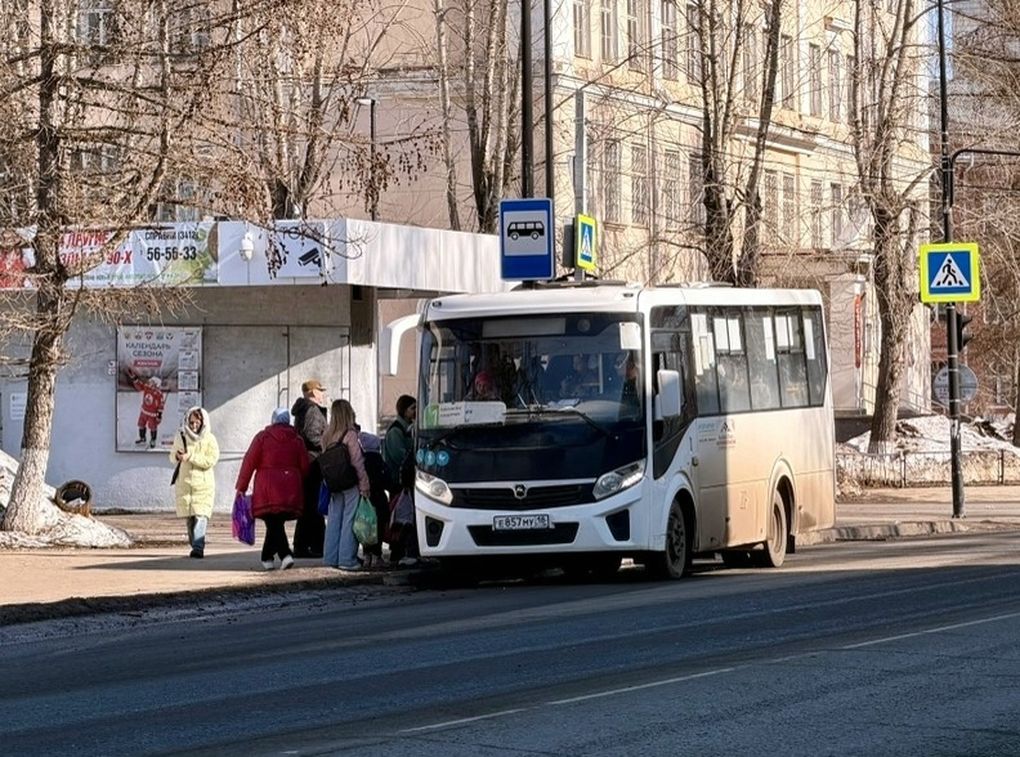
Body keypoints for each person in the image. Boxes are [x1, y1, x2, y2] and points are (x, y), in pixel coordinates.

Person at [235, 408, 309, 571]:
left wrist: (241, 487)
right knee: (276, 523)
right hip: (290, 489)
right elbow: (305, 467)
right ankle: (267, 557)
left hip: (266, 488)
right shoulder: (297, 440)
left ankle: (284, 555)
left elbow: (249, 462)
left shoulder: (262, 437)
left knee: (273, 522)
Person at [320, 399, 371, 571]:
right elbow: (357, 462)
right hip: (350, 483)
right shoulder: (350, 434)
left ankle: (330, 557)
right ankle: (347, 559)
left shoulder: (327, 435)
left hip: (333, 484)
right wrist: (364, 484)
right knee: (350, 519)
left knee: (334, 520)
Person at [169, 406, 219, 559]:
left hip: (203, 485)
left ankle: (198, 547)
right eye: (191, 423)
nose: (194, 425)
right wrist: (177, 456)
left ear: (203, 422)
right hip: (185, 483)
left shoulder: (210, 439)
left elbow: (211, 460)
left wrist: (190, 457)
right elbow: (171, 455)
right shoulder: (181, 436)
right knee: (190, 519)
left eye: (197, 422)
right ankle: (194, 544)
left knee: (201, 516)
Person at [292, 379, 328, 558]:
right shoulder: (312, 410)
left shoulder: (303, 410)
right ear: (313, 392)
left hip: (306, 462)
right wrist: (326, 446)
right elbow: (311, 435)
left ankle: (304, 545)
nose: (323, 394)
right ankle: (315, 546)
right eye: (320, 391)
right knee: (314, 506)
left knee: (308, 507)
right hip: (313, 462)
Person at [358, 424, 392, 569]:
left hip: (365, 499)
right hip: (379, 498)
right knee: (378, 528)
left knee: (366, 528)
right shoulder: (379, 461)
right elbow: (387, 481)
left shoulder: (362, 462)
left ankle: (366, 556)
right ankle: (376, 556)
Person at [383, 395, 416, 493]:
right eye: (413, 408)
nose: (416, 411)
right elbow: (400, 457)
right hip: (398, 482)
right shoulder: (396, 431)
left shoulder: (409, 428)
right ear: (405, 411)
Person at [129, 372, 165, 448]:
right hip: (144, 412)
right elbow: (139, 386)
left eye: (151, 382)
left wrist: (159, 415)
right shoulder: (146, 388)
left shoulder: (158, 394)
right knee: (141, 424)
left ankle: (153, 440)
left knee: (152, 427)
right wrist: (134, 378)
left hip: (152, 414)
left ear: (156, 384)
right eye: (150, 381)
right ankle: (142, 437)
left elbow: (161, 405)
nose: (149, 382)